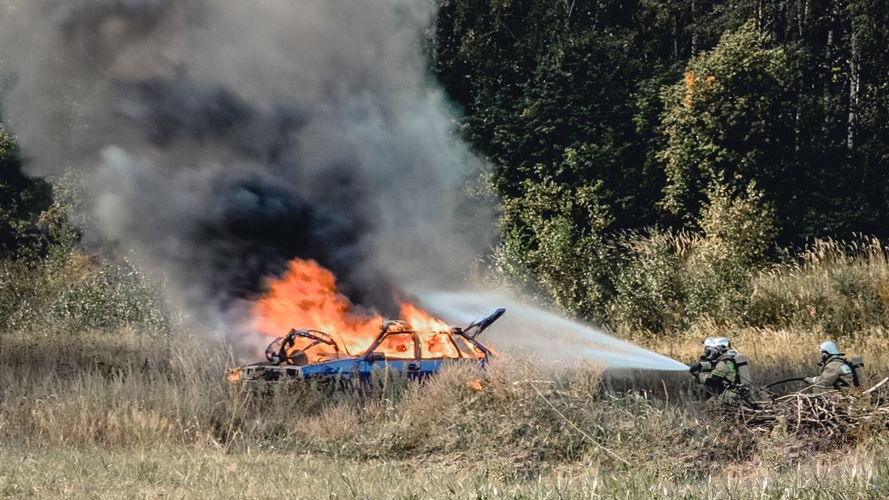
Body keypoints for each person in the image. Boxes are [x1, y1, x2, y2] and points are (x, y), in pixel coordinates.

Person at [689, 337, 754, 404]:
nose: (712, 353)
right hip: (741, 392)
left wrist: (698, 375)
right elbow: (713, 363)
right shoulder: (731, 358)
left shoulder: (723, 363)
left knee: (707, 405)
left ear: (718, 350)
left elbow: (714, 381)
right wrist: (700, 365)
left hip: (730, 395)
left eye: (713, 350)